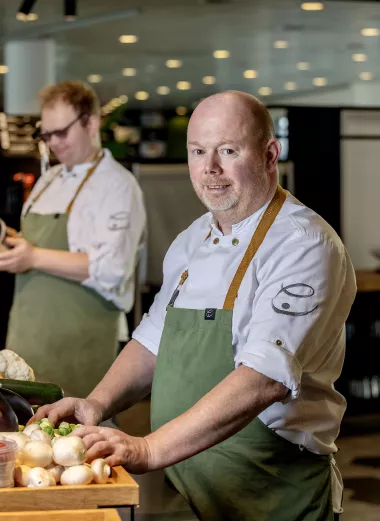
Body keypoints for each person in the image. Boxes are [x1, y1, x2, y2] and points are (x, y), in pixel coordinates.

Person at [32, 91, 356, 521]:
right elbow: (152, 341)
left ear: (269, 154)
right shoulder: (192, 239)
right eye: (199, 151)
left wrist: (148, 448)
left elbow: (264, 380)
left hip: (273, 495)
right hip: (194, 492)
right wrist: (96, 403)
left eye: (228, 150)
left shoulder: (304, 244)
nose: (210, 169)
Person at [0, 80, 146, 397]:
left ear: (90, 123)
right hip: (27, 336)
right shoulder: (49, 179)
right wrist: (10, 239)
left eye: (61, 133)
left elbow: (114, 268)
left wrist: (33, 257)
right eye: (46, 134)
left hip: (80, 342)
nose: (53, 143)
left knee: (75, 434)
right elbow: (34, 242)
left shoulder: (118, 186)